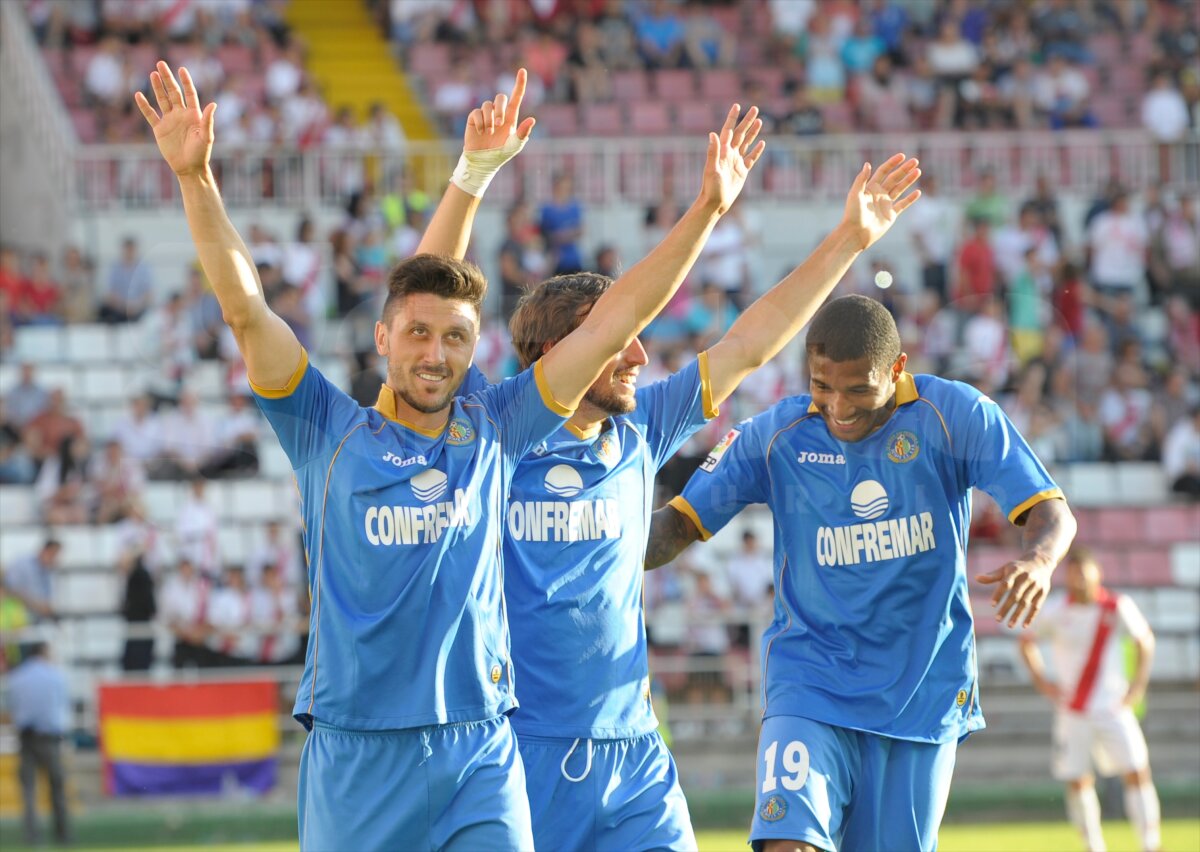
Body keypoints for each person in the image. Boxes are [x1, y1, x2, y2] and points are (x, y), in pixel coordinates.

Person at [135, 62, 752, 850]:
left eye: (456, 337)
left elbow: (608, 326)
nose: (435, 352)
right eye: (418, 334)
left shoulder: (495, 427)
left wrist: (705, 209)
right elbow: (246, 308)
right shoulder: (326, 429)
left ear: (476, 350)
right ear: (381, 338)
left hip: (479, 752)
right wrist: (195, 179)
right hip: (357, 754)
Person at [425, 125, 922, 844]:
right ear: (558, 354)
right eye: (617, 339)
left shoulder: (640, 431)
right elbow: (431, 293)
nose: (636, 354)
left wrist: (847, 239)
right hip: (519, 750)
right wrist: (471, 173)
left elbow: (751, 342)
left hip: (634, 754)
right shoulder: (491, 437)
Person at [645, 294, 1078, 852]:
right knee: (787, 843)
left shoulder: (955, 415)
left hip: (921, 690)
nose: (837, 406)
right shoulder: (776, 436)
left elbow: (1051, 512)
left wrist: (1039, 562)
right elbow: (674, 528)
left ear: (897, 370)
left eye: (856, 389)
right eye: (822, 386)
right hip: (811, 681)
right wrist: (585, 544)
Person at [1018, 549, 1162, 852]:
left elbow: (1145, 641)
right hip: (1073, 710)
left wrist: (1137, 686)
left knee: (1137, 770)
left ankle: (1150, 844)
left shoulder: (1116, 606)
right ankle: (1093, 846)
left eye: (1084, 572)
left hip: (1112, 707)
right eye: (1074, 572)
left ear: (1098, 573)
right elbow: (1027, 641)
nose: (1079, 578)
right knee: (1077, 779)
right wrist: (1043, 681)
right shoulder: (1056, 610)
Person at [6, 640, 72, 845]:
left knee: (28, 791)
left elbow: (10, 710)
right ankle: (63, 836)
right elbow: (61, 708)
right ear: (44, 652)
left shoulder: (16, 678)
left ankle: (32, 837)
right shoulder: (55, 676)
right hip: (50, 737)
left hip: (26, 737)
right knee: (57, 789)